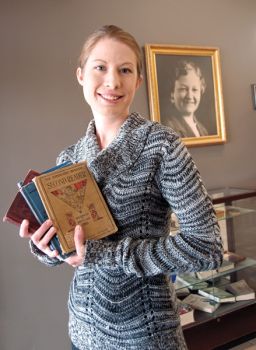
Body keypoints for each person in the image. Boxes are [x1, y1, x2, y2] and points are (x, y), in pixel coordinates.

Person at [19, 25, 223, 350]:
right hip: (82, 333)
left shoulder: (162, 146)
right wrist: (49, 249)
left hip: (145, 336)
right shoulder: (70, 157)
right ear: (81, 75)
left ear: (138, 81)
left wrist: (106, 255)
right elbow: (75, 252)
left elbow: (206, 248)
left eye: (125, 70)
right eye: (100, 67)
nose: (113, 81)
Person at [165, 60, 209, 138]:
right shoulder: (169, 129)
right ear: (172, 95)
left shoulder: (203, 130)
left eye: (195, 90)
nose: (189, 96)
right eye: (183, 89)